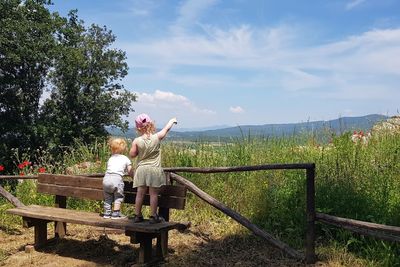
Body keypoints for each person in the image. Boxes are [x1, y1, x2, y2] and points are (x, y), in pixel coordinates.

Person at [129, 113, 177, 223]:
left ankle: (137, 215)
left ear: (138, 127)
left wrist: (138, 151)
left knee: (140, 193)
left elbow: (132, 154)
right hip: (154, 169)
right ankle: (153, 216)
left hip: (141, 169)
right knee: (153, 194)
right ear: (151, 124)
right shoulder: (157, 137)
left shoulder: (136, 140)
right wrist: (172, 121)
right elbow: (166, 129)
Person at [103, 138, 133, 219]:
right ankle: (116, 213)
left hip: (106, 179)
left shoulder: (111, 158)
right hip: (117, 179)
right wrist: (134, 177)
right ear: (123, 149)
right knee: (118, 196)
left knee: (108, 197)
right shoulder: (125, 158)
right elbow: (130, 171)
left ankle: (107, 213)